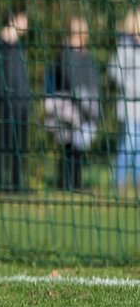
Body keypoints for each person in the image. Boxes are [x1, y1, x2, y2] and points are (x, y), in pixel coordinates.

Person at [43, 16, 101, 191]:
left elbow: (92, 82)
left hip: (86, 107)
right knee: (69, 146)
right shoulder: (65, 55)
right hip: (68, 108)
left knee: (78, 146)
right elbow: (68, 80)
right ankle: (69, 183)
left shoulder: (86, 56)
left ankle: (75, 182)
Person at [0, 8, 31, 192]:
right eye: (24, 19)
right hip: (7, 102)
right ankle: (0, 183)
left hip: (21, 102)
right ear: (14, 19)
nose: (27, 24)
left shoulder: (19, 46)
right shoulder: (0, 44)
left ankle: (16, 184)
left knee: (18, 145)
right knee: (4, 143)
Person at [107, 9, 140, 192]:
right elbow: (114, 71)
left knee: (139, 147)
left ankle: (138, 182)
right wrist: (131, 86)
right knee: (128, 144)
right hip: (128, 105)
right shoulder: (125, 46)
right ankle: (118, 181)